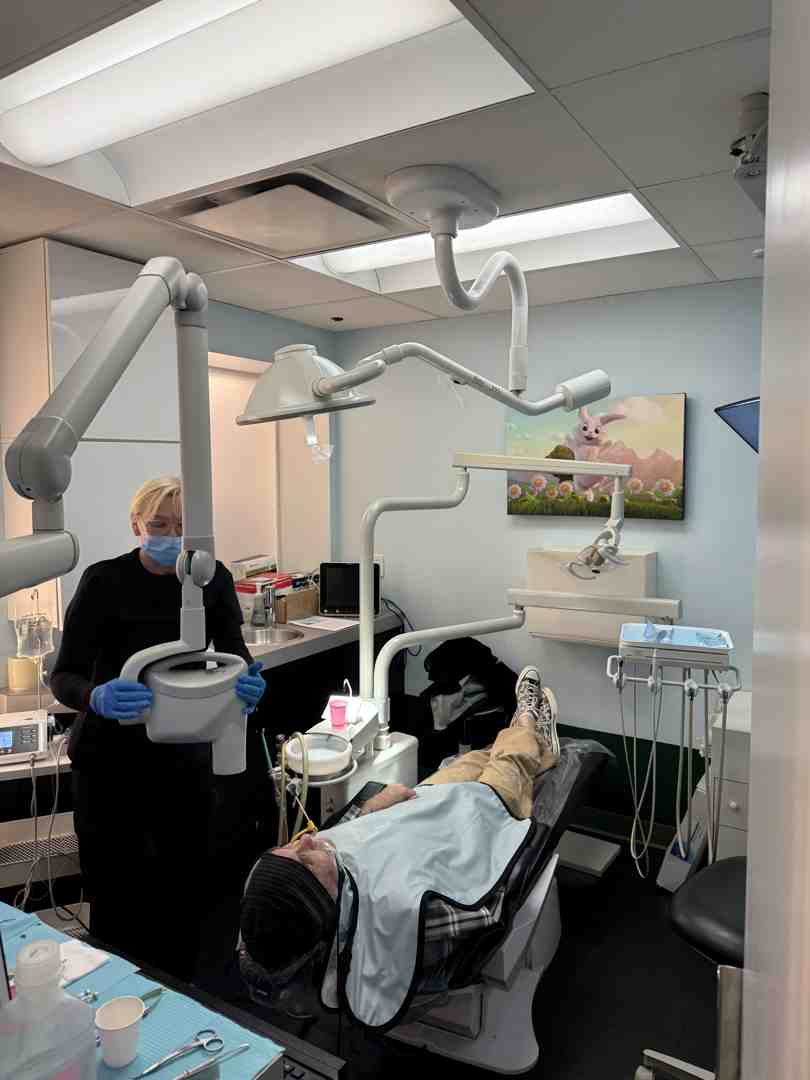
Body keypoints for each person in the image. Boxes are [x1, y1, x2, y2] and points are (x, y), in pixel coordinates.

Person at [240, 665, 559, 1029]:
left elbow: (340, 839)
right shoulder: (401, 916)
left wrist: (370, 808)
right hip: (470, 824)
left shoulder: (317, 875)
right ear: (325, 900)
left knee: (468, 761)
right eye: (305, 858)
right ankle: (528, 720)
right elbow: (483, 908)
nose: (309, 840)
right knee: (509, 761)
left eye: (294, 847)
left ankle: (536, 745)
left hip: (419, 808)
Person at [50, 476, 266, 979]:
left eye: (182, 527)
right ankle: (114, 1002)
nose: (171, 536)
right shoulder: (104, 582)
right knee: (117, 900)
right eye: (158, 525)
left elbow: (237, 654)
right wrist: (95, 697)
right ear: (136, 526)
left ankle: (182, 1005)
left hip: (185, 760)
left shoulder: (213, 579)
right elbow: (63, 675)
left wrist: (252, 683)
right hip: (110, 766)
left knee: (184, 895)